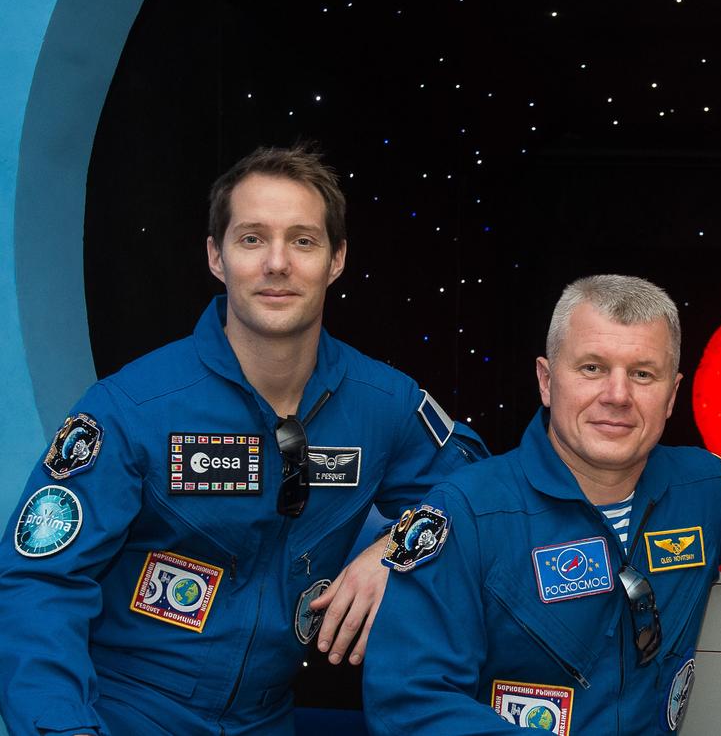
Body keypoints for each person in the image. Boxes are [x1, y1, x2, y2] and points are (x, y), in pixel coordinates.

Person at [0, 145, 488, 736]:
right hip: (124, 711)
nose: (277, 264)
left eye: (303, 241)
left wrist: (397, 549)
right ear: (216, 256)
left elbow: (480, 492)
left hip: (266, 717)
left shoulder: (381, 402)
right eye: (252, 239)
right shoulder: (131, 408)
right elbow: (39, 584)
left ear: (336, 260)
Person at [363, 274, 721, 734]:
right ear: (546, 379)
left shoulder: (702, 485)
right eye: (592, 367)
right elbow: (410, 700)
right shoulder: (467, 512)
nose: (617, 395)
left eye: (643, 374)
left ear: (672, 396)